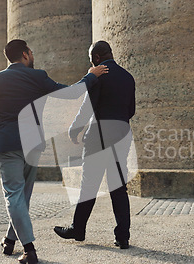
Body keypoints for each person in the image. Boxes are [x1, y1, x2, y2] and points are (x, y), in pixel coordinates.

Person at [0, 39, 108, 264]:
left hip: (8, 145)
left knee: (14, 195)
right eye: (31, 51)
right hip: (33, 144)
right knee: (22, 195)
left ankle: (29, 249)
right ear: (25, 54)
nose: (33, 55)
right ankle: (10, 240)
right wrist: (91, 76)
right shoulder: (37, 77)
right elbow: (71, 94)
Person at [54, 40, 136, 249]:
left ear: (97, 58)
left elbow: (87, 107)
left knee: (89, 185)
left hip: (98, 137)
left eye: (91, 59)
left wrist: (75, 129)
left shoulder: (98, 75)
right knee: (118, 187)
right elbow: (131, 111)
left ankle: (78, 229)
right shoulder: (128, 77)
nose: (90, 63)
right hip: (121, 135)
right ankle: (123, 236)